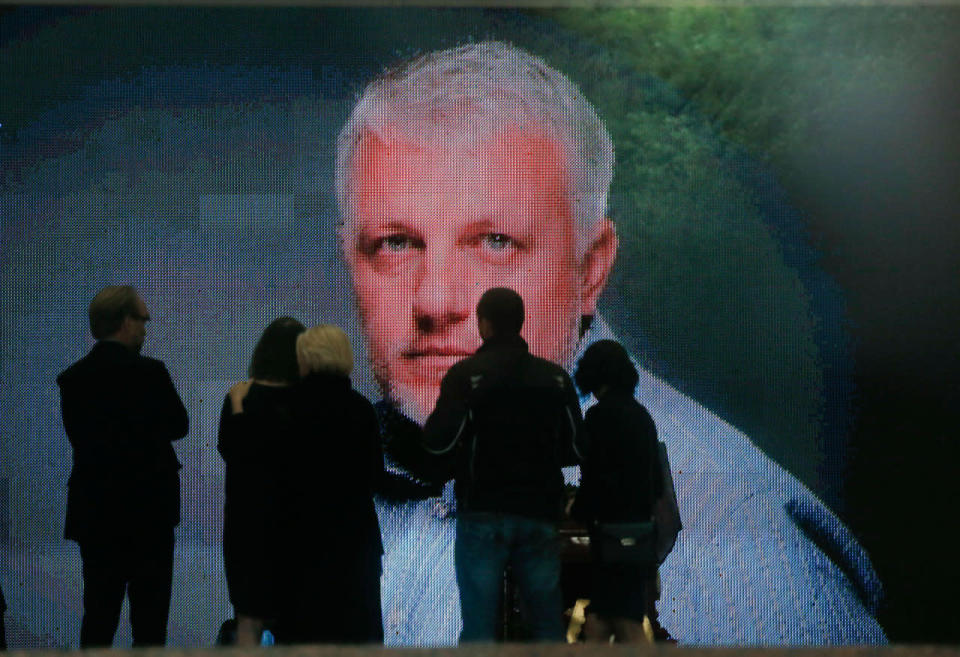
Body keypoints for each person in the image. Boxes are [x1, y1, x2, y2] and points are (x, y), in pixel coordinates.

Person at [336, 41, 886, 644]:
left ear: (590, 268)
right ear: (349, 257)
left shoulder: (732, 553)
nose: (433, 301)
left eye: (495, 242)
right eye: (395, 244)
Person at [421, 287, 583, 642]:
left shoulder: (467, 376)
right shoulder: (554, 378)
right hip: (539, 513)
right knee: (546, 627)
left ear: (483, 325)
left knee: (479, 629)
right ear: (521, 323)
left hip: (483, 512)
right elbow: (575, 449)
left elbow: (438, 443)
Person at [220, 324, 384, 644]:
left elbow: (246, 458)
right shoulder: (361, 407)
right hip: (354, 546)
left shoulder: (283, 406)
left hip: (292, 543)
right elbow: (373, 475)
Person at [56, 285, 188, 647]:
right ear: (125, 322)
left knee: (99, 615)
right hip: (150, 513)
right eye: (142, 319)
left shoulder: (73, 378)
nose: (145, 328)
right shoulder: (151, 373)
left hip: (96, 513)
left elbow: (81, 440)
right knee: (150, 620)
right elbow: (180, 425)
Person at [217, 316, 306, 646]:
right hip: (296, 522)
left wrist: (239, 407)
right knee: (295, 618)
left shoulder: (241, 396)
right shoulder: (306, 400)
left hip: (247, 522)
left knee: (248, 618)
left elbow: (234, 452)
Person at [570, 340, 663, 643]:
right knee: (615, 616)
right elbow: (657, 485)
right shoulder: (643, 417)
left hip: (609, 535)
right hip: (639, 535)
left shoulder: (598, 417)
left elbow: (595, 479)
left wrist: (576, 507)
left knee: (613, 620)